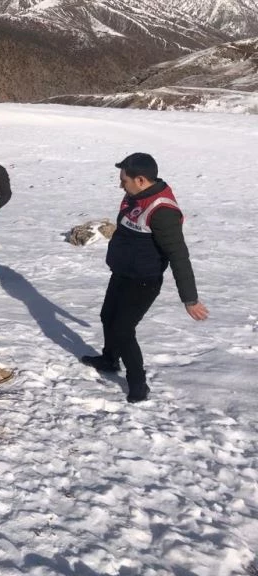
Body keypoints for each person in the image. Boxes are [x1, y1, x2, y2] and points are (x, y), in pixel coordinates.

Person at [82, 152, 209, 402]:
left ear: (140, 180)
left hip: (143, 281)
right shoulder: (134, 196)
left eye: (124, 180)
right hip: (122, 272)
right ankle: (110, 359)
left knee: (123, 329)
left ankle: (138, 383)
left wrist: (190, 299)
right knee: (108, 316)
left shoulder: (162, 211)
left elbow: (178, 255)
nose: (121, 185)